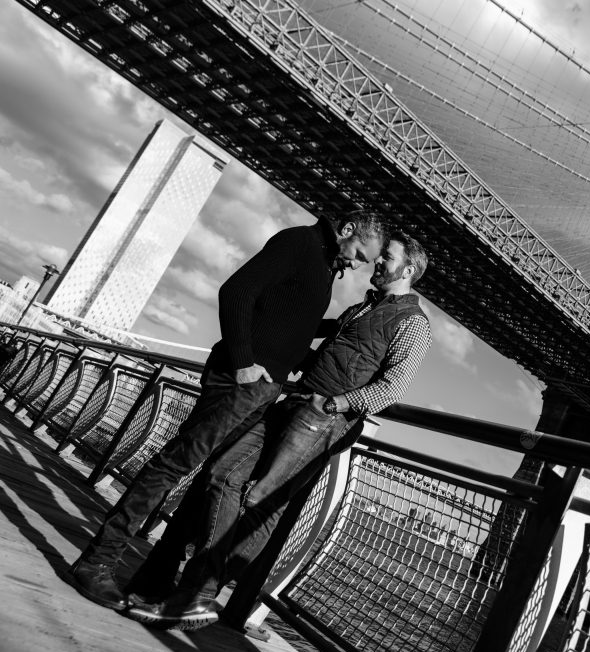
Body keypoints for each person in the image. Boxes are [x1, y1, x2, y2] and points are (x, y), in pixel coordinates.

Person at [69, 210, 386, 611]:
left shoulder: (324, 265)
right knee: (173, 465)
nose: (357, 266)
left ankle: (156, 577)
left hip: (262, 390)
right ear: (347, 229)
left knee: (207, 482)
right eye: (359, 254)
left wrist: (339, 333)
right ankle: (95, 563)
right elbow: (236, 292)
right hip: (240, 383)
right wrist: (241, 362)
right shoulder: (298, 243)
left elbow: (286, 320)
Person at [127, 230, 432, 630]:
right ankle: (197, 593)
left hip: (323, 417)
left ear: (407, 270)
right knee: (222, 474)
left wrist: (336, 404)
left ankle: (196, 594)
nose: (377, 261)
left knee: (262, 502)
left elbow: (394, 386)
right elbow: (324, 347)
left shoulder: (414, 323)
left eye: (387, 257)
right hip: (296, 400)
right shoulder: (364, 306)